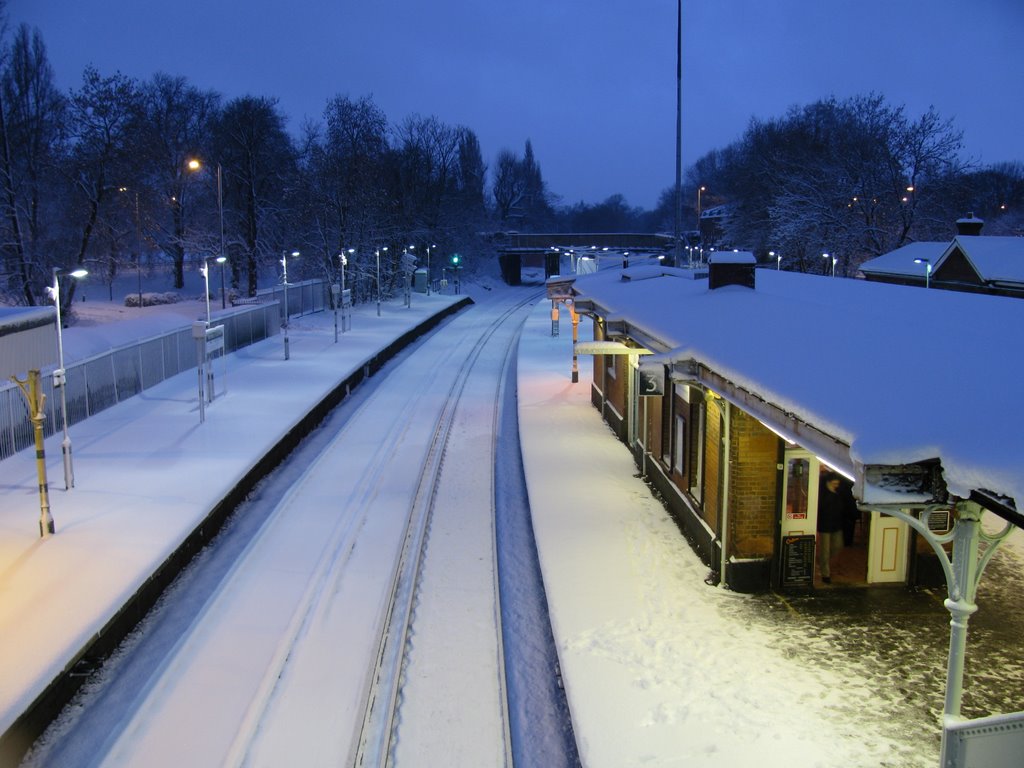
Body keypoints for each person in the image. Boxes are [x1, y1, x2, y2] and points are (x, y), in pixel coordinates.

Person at [816, 472, 845, 584]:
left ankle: (823, 561)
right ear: (828, 483)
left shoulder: (839, 493)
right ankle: (825, 574)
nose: (835, 486)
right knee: (825, 549)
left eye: (837, 484)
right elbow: (822, 507)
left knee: (838, 546)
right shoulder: (824, 494)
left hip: (837, 524)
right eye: (834, 483)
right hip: (825, 525)